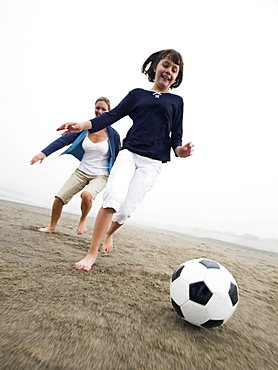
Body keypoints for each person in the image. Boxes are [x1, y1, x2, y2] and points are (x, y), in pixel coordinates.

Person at [58, 49, 194, 271]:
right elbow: (111, 116)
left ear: (177, 77)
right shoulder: (137, 94)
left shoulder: (177, 101)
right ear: (155, 67)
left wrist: (180, 150)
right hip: (129, 152)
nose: (168, 71)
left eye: (174, 69)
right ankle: (92, 253)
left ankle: (109, 233)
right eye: (166, 65)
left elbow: (175, 136)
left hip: (153, 162)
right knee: (113, 197)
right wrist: (81, 125)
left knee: (125, 210)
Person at [30, 97, 121, 234]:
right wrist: (43, 153)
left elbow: (119, 157)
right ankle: (52, 226)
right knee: (59, 198)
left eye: (103, 109)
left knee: (86, 195)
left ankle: (83, 219)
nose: (99, 111)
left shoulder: (113, 135)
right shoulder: (85, 129)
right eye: (97, 108)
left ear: (108, 112)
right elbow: (62, 141)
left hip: (101, 175)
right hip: (81, 172)